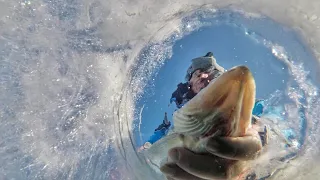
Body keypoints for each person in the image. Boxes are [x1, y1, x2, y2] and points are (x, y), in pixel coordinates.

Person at [161, 52, 268, 180]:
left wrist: (265, 140)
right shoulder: (169, 123)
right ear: (189, 83)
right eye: (197, 73)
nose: (204, 76)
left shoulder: (256, 106)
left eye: (212, 73)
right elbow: (145, 153)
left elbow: (285, 128)